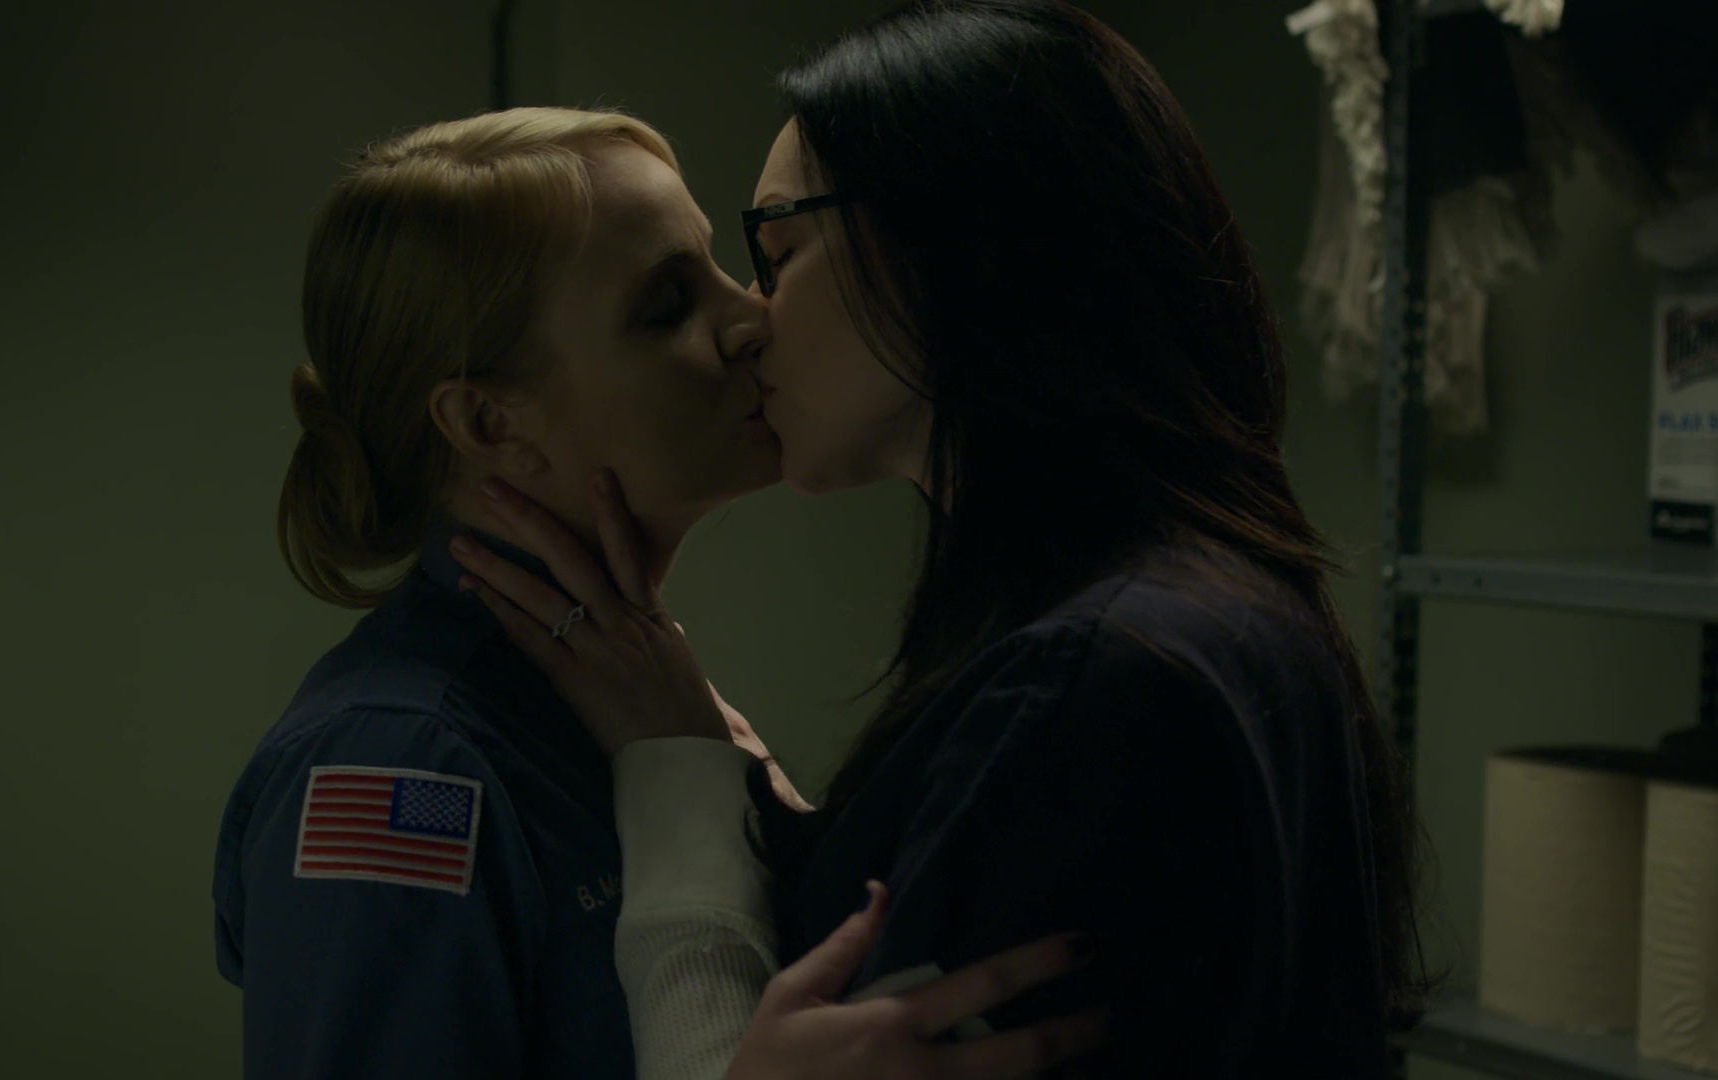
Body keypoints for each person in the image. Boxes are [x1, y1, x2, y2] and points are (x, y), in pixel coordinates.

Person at [447, 2, 1443, 1078]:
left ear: (953, 244)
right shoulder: (1202, 609)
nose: (749, 321)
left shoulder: (1093, 682)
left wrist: (677, 782)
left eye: (778, 251)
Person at [212, 105, 1104, 1079]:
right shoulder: (402, 760)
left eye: (720, 267)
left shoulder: (633, 692)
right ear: (491, 423)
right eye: (667, 305)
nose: (751, 319)